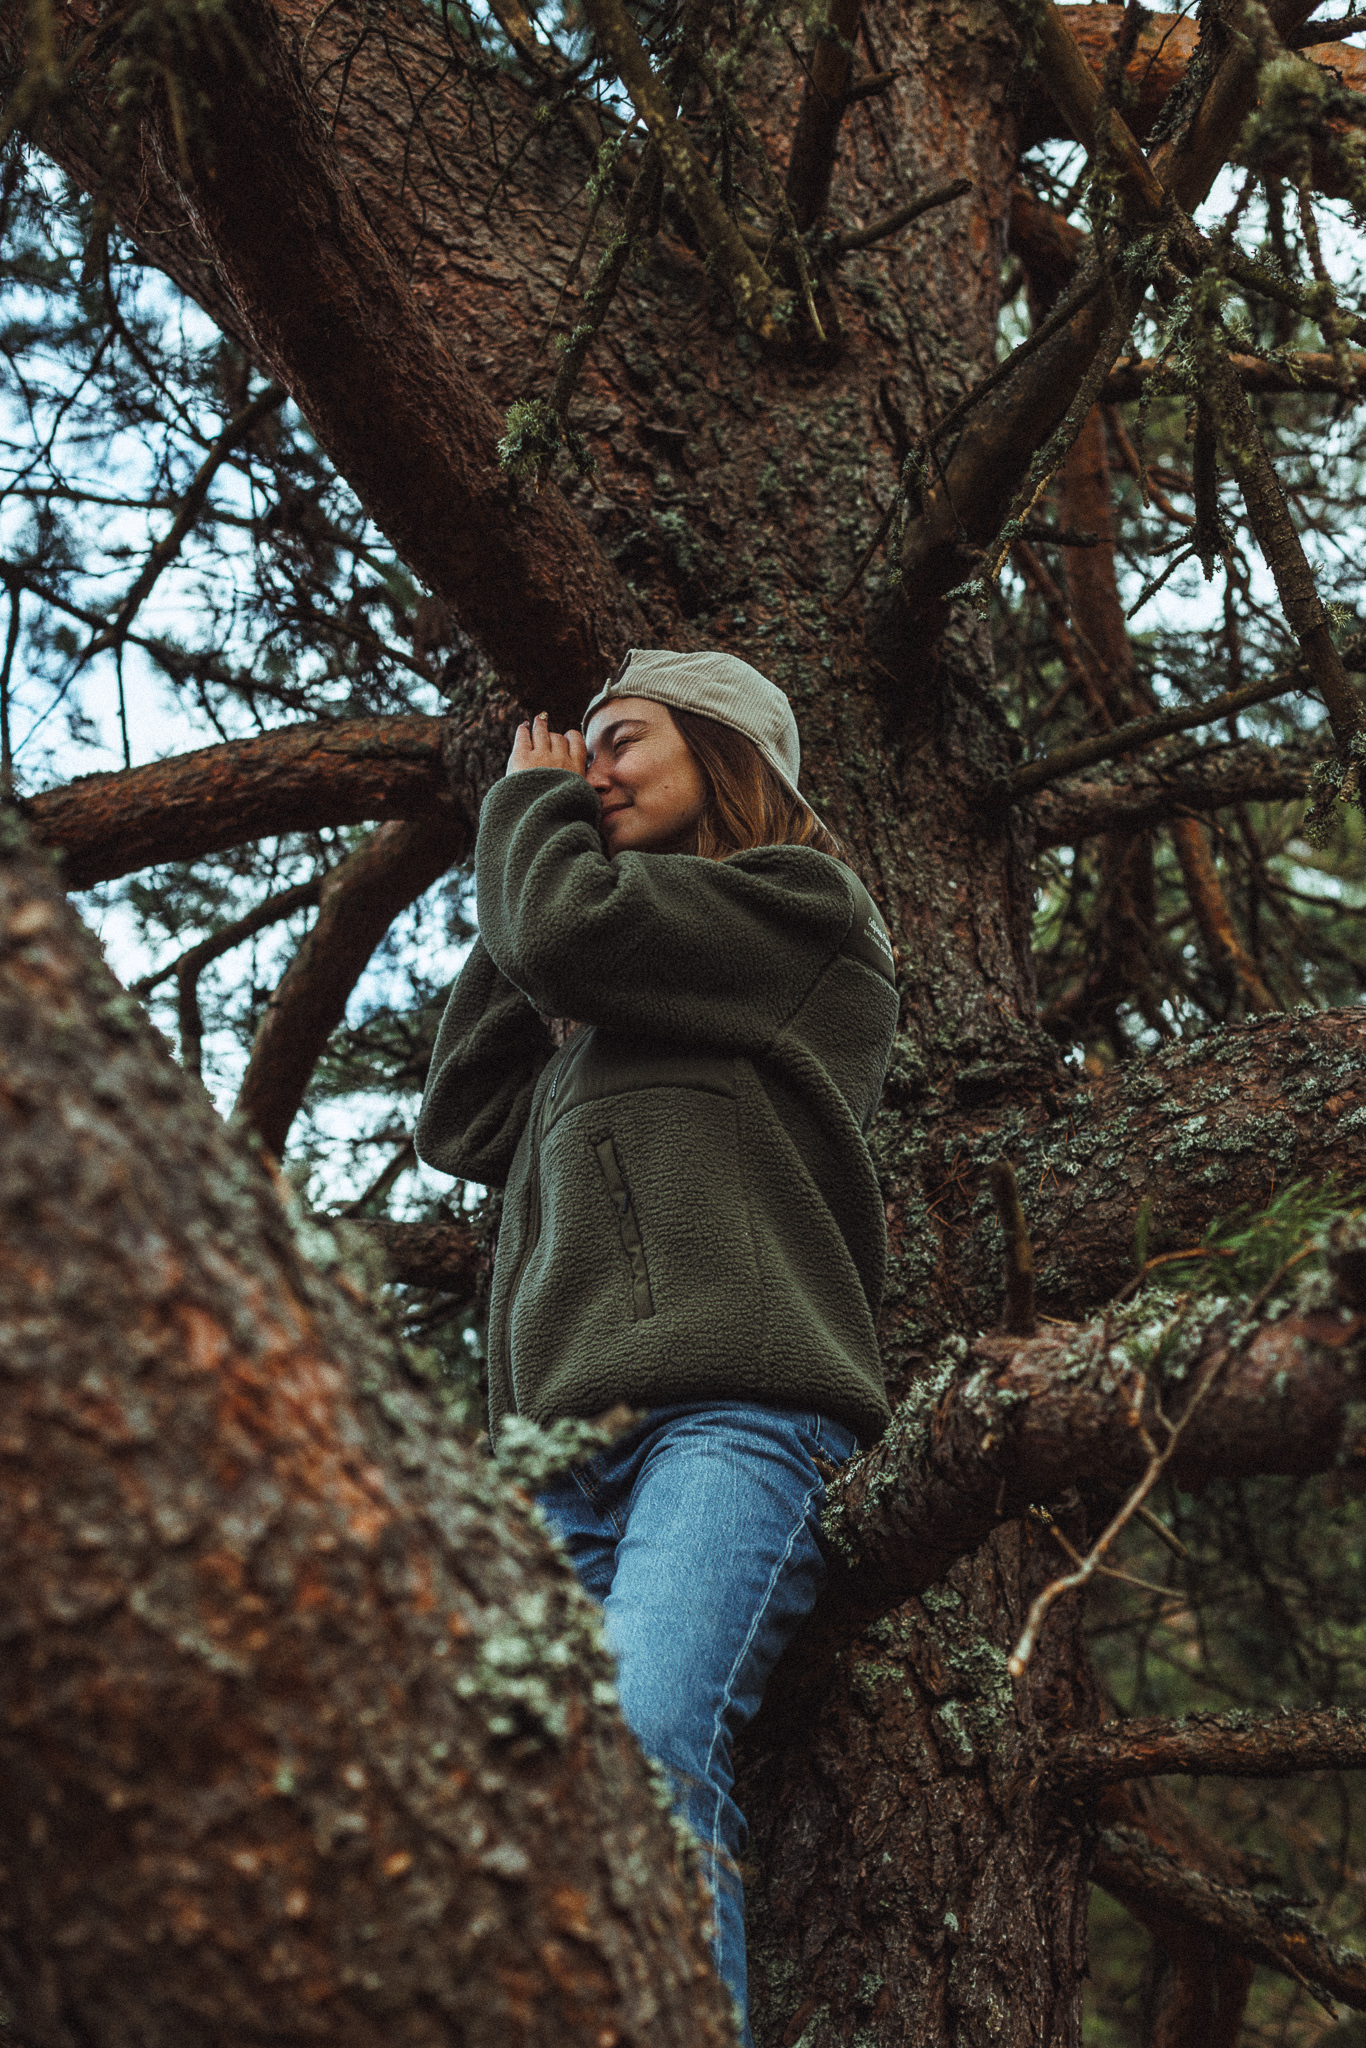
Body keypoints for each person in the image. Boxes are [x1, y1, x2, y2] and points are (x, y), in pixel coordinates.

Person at [415, 648, 899, 2043]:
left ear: (727, 752)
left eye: (622, 741)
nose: (593, 771)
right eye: (584, 753)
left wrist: (530, 821)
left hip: (730, 1414)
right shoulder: (610, 990)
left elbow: (566, 937)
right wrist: (531, 872)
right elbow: (460, 1114)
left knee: (635, 1740)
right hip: (559, 1460)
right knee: (536, 1806)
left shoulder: (801, 910)